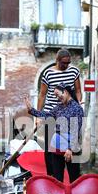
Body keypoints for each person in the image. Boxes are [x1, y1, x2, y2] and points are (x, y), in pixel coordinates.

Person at [37, 48, 83, 176]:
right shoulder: (48, 74)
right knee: (49, 147)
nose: (66, 65)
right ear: (57, 60)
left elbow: (78, 91)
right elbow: (42, 95)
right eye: (64, 63)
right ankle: (51, 175)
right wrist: (38, 117)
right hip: (51, 112)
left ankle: (73, 175)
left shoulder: (74, 71)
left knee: (72, 142)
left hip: (68, 113)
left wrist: (78, 103)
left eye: (68, 63)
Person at [25, 84, 84, 183]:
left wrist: (70, 149)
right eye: (55, 96)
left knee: (74, 178)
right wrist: (32, 110)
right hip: (56, 148)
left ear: (65, 91)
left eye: (57, 94)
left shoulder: (77, 108)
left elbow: (76, 130)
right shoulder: (59, 108)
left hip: (70, 149)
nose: (57, 98)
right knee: (57, 179)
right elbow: (47, 115)